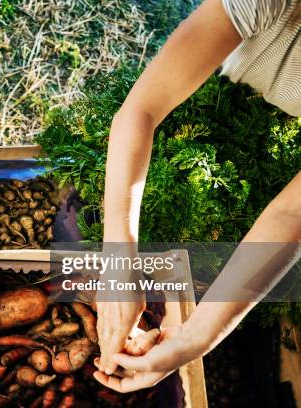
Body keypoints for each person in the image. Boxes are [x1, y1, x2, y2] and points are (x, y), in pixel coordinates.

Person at [94, 0, 300, 392]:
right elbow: (141, 110)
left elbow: (291, 213)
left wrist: (197, 337)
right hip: (239, 46)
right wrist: (119, 256)